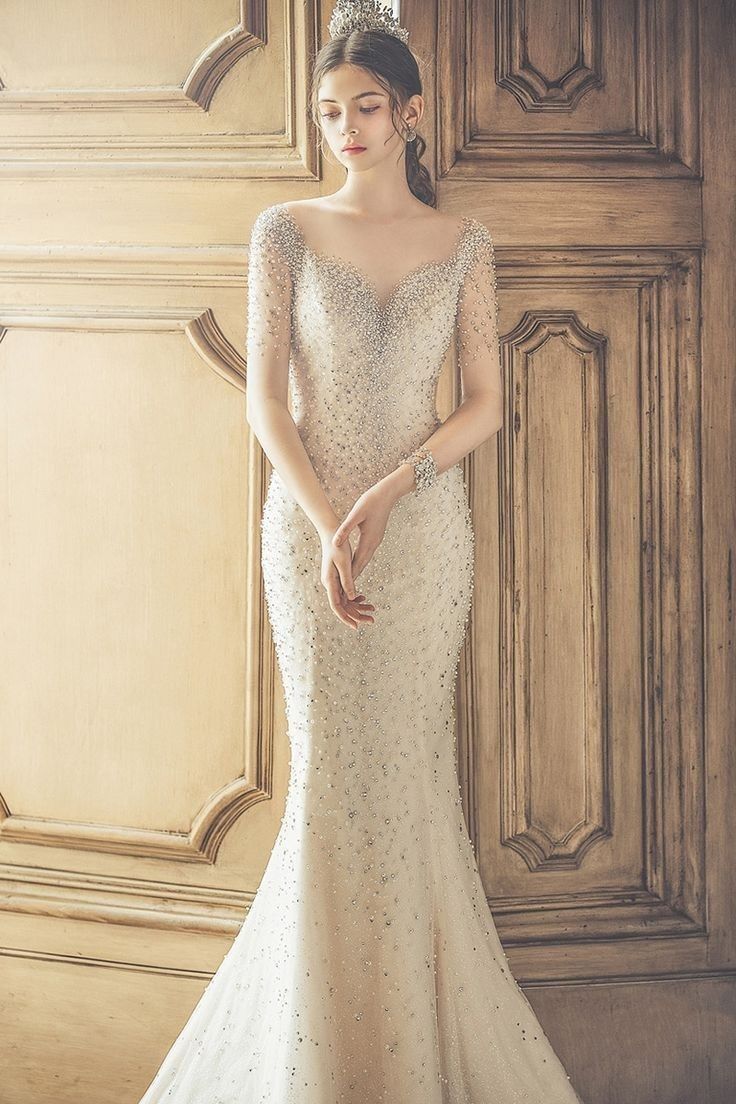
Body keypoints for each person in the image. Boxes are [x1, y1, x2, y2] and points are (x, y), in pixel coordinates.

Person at [136, 1, 585, 1100]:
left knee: (411, 780)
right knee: (332, 782)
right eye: (329, 110)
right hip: (308, 536)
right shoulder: (282, 230)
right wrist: (328, 515)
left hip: (422, 536)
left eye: (365, 108)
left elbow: (484, 403)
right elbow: (266, 404)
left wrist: (392, 490)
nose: (343, 127)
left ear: (410, 114)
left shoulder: (463, 242)